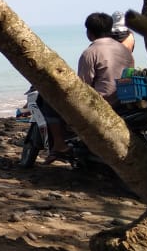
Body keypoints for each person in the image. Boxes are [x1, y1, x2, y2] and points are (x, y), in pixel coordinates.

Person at [45, 12, 135, 162]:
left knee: (49, 102)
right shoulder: (125, 51)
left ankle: (60, 145)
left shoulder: (90, 52)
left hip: (101, 103)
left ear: (89, 33)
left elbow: (83, 85)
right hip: (123, 99)